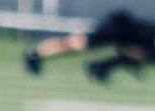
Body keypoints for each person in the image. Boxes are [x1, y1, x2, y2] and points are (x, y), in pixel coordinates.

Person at [23, 9, 155, 83]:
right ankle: (35, 54)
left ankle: (100, 67)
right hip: (119, 29)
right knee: (79, 44)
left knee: (137, 57)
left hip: (126, 34)